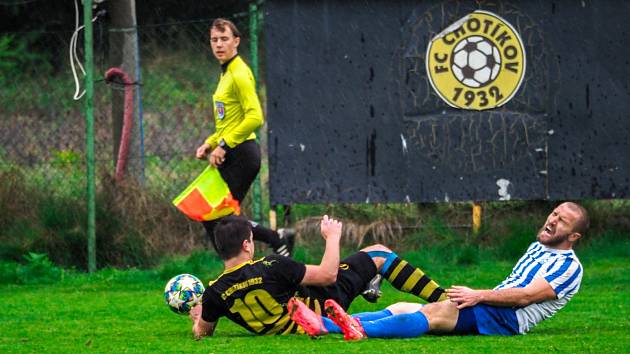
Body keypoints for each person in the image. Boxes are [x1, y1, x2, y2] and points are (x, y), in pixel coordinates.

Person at [290, 202, 588, 340]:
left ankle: (345, 328)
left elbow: (524, 297)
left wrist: (478, 295)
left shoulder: (569, 267)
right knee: (400, 306)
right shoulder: (540, 246)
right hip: (496, 306)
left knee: (432, 317)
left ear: (573, 237)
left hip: (509, 319)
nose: (552, 220)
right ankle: (327, 323)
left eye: (562, 221)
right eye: (554, 213)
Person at [189, 214, 448, 338]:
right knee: (379, 254)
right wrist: (332, 238)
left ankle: (369, 283)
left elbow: (202, 333)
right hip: (325, 306)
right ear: (247, 245)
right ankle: (445, 300)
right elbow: (327, 276)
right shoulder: (271, 264)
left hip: (287, 327)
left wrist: (198, 316)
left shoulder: (214, 291)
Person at [195, 18, 291, 256]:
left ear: (236, 41)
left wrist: (224, 145)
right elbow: (230, 122)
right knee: (214, 215)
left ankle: (256, 254)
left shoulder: (239, 73)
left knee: (219, 216)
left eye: (224, 39)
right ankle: (269, 242)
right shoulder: (226, 73)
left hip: (243, 154)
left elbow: (255, 117)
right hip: (232, 151)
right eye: (214, 40)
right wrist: (211, 142)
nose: (219, 44)